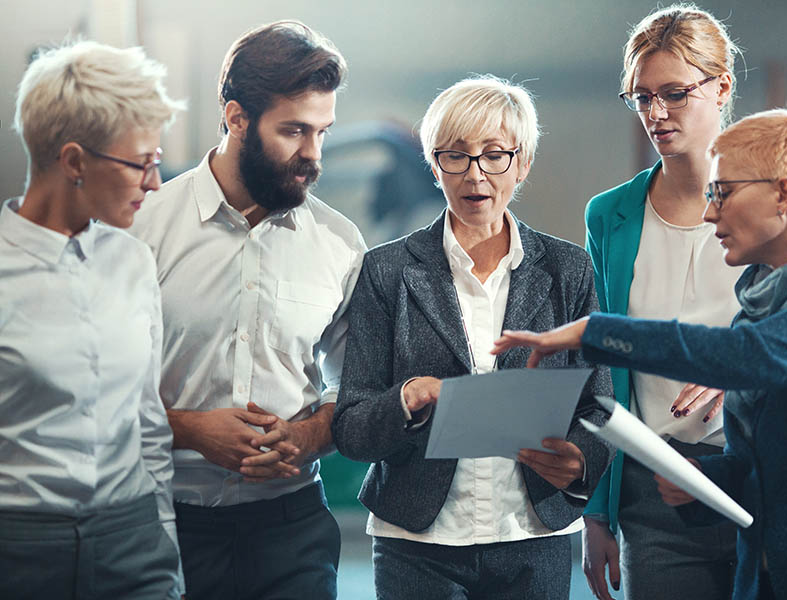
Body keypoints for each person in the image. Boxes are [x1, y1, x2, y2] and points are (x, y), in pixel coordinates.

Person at [494, 108, 787, 600]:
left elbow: (748, 357)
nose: (710, 213)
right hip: (768, 572)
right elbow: (759, 463)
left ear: (784, 193)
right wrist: (701, 480)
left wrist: (595, 331)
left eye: (723, 193)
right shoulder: (759, 305)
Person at [332, 75, 614, 600]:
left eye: (494, 155)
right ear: (434, 165)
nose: (475, 174)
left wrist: (579, 460)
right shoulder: (386, 271)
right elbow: (351, 428)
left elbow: (597, 405)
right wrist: (406, 398)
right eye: (455, 156)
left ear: (523, 162)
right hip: (416, 539)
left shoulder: (568, 268)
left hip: (534, 535)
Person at [128, 20, 365, 599]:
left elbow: (354, 385)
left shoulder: (340, 244)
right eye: (294, 131)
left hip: (293, 531)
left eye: (322, 133)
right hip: (163, 525)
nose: (312, 155)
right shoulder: (142, 228)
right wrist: (188, 431)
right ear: (236, 118)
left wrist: (308, 437)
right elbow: (95, 392)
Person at [0, 41, 184, 598]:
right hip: (19, 547)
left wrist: (164, 547)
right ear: (75, 161)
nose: (154, 182)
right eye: (141, 163)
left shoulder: (133, 259)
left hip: (134, 542)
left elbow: (148, 424)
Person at [582, 5, 743, 599]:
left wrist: (739, 375)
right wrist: (597, 511)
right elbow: (601, 367)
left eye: (674, 93)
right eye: (641, 96)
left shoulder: (775, 200)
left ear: (721, 86)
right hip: (653, 488)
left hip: (760, 470)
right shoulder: (610, 216)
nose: (655, 113)